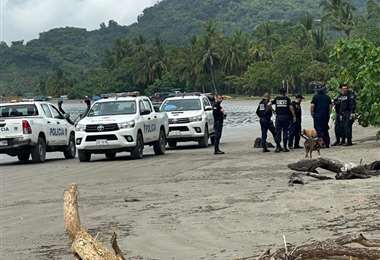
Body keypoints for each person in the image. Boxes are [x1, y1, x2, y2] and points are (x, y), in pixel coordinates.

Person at [273, 87, 296, 153]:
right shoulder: (287, 99)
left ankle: (277, 147)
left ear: (279, 92)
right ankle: (285, 147)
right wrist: (294, 116)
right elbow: (291, 107)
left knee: (278, 132)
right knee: (285, 132)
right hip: (286, 117)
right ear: (285, 92)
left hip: (278, 117)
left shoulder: (276, 99)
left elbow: (269, 104)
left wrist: (273, 111)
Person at [310, 83, 332, 148]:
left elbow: (312, 106)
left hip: (317, 116)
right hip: (325, 116)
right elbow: (330, 107)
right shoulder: (327, 97)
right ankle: (327, 143)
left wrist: (312, 114)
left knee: (318, 129)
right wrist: (328, 114)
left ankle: (321, 144)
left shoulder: (315, 97)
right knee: (325, 128)